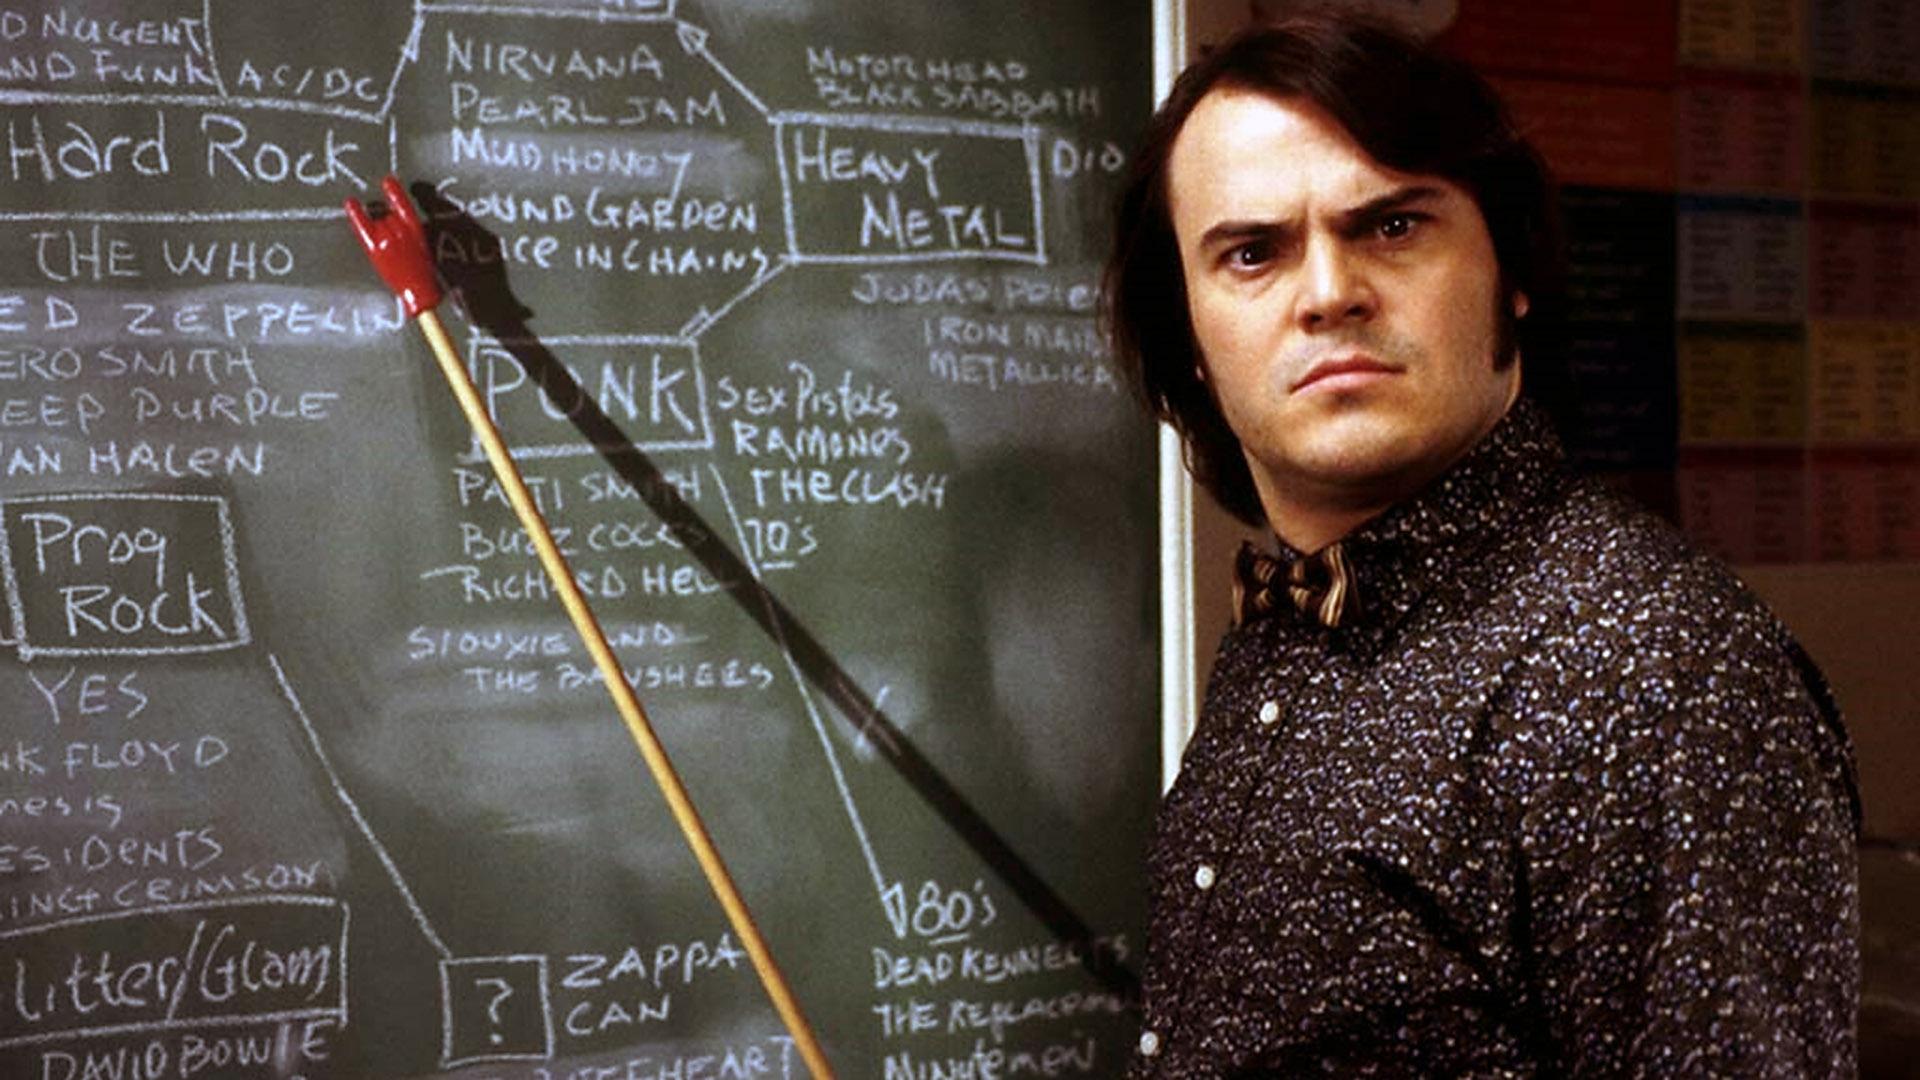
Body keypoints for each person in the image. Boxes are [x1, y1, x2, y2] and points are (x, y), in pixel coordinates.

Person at [1102, 11, 1861, 1077]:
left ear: (1512, 271)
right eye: (1253, 253)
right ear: (1188, 331)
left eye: (1392, 226)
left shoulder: (1647, 670)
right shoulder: (1292, 621)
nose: (1329, 293)